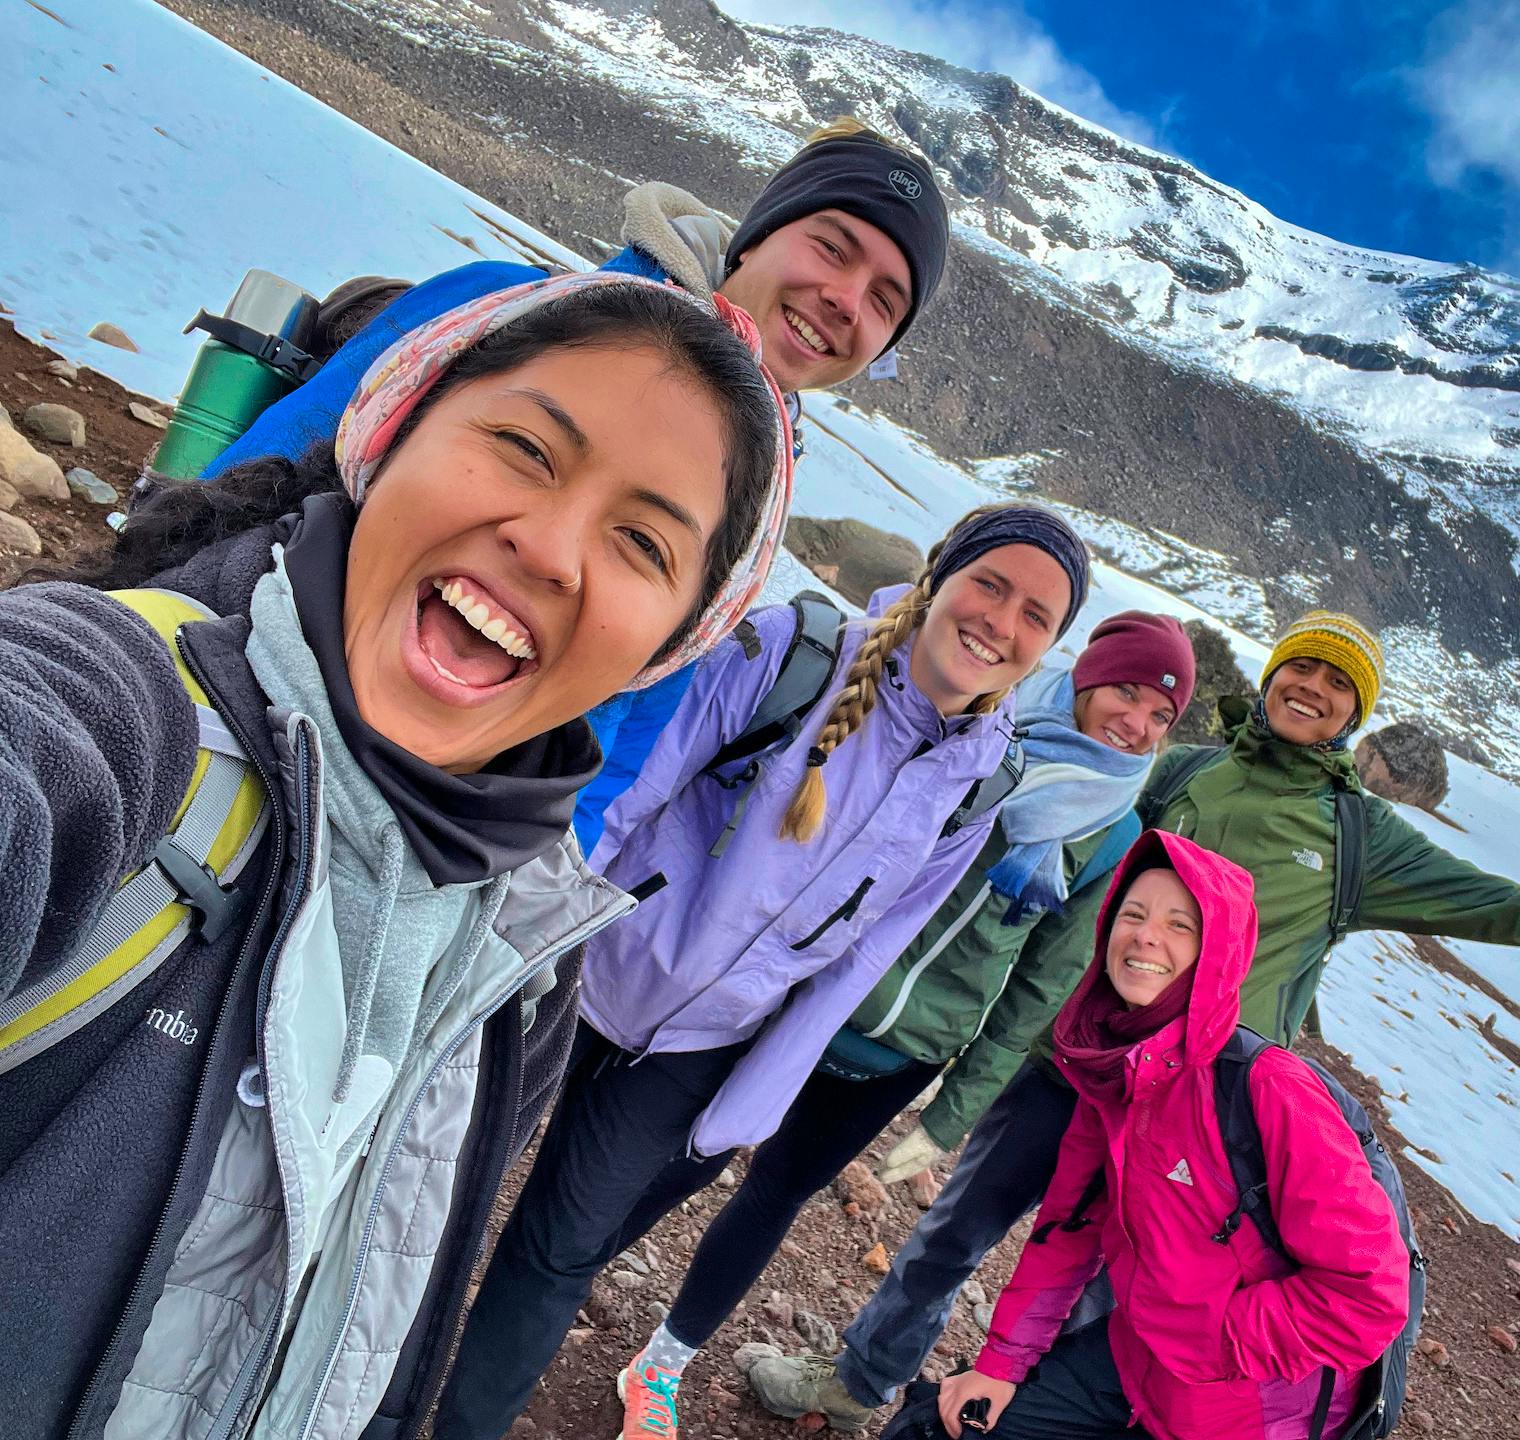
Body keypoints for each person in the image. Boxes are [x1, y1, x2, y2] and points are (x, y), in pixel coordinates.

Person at [0, 271, 790, 1440]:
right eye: (525, 447)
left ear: (665, 648)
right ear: (389, 431)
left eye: (642, 541)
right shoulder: (117, 711)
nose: (556, 548)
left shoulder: (526, 965)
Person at [751, 608, 1520, 1430]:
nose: (1315, 687)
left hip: (1208, 1116)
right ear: (1274, 675)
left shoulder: (1360, 840)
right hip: (1074, 1065)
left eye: (1340, 681)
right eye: (1303, 667)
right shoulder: (1184, 773)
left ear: (1355, 711)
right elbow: (1062, 823)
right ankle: (859, 1384)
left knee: (1123, 1311)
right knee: (960, 1231)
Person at [432, 504, 1094, 1440]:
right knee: (437, 1200)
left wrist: (759, 1096)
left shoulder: (980, 790)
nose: (1002, 620)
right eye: (991, 583)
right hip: (576, 973)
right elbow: (629, 800)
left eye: (1037, 613)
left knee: (557, 1256)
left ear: (1049, 648)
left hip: (696, 1045)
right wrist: (509, 959)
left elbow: (858, 959)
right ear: (943, 576)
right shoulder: (796, 652)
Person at [207, 115, 954, 854]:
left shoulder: (746, 506)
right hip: (235, 718)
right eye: (832, 247)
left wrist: (534, 892)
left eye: (885, 301)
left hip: (424, 856)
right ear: (755, 237)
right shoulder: (502, 313)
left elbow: (617, 741)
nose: (847, 299)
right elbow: (237, 493)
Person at [603, 612, 1196, 1417]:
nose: (1137, 725)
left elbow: (1037, 990)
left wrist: (949, 1118)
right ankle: (563, 1276)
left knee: (775, 1193)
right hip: (803, 996)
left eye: (1161, 717)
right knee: (689, 1153)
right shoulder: (985, 733)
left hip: (904, 1053)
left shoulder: (1114, 831)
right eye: (1127, 693)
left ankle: (663, 1365)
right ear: (1088, 676)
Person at [891, 829, 1409, 1440]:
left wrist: (1205, 1333)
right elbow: (1068, 1235)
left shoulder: (1271, 1090)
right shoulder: (1113, 1071)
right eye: (1131, 915)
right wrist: (1000, 1367)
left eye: (1180, 925)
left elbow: (1369, 1298)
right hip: (1137, 1363)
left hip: (1250, 1411)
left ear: (1217, 952)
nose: (1145, 935)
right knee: (944, 1424)